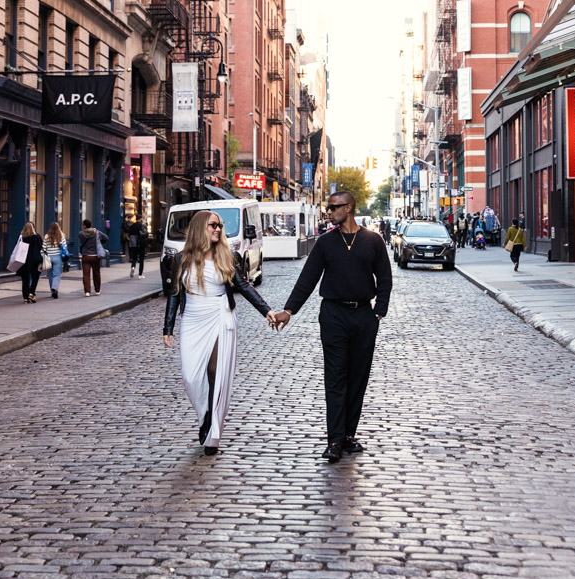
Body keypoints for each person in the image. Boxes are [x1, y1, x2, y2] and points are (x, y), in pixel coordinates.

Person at [274, 189, 392, 463]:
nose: (329, 212)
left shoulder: (373, 241)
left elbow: (384, 279)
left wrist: (378, 314)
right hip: (333, 316)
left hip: (363, 316)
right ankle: (335, 439)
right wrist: (289, 310)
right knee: (336, 377)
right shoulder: (326, 242)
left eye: (334, 207)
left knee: (358, 378)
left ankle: (349, 435)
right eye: (328, 208)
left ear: (349, 208)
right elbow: (308, 279)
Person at [163, 210, 277, 456]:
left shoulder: (226, 255)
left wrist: (266, 310)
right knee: (191, 377)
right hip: (193, 317)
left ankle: (212, 431)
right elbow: (174, 294)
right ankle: (205, 415)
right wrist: (168, 328)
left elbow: (244, 286)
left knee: (216, 372)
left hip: (220, 314)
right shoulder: (181, 258)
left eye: (220, 225)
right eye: (212, 225)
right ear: (200, 228)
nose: (217, 229)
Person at [78, 218, 109, 296]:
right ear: (91, 225)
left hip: (85, 256)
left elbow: (81, 242)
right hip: (95, 256)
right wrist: (99, 243)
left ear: (84, 226)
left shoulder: (81, 234)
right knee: (96, 273)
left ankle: (87, 291)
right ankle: (97, 290)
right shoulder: (97, 232)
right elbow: (106, 238)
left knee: (86, 274)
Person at [16, 222, 43, 304]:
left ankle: (25, 298)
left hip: (23, 260)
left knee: (25, 280)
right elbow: (40, 247)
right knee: (35, 276)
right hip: (34, 260)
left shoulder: (21, 237)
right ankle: (31, 292)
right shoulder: (36, 237)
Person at [42, 221, 69, 299]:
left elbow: (43, 248)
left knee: (50, 275)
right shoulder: (61, 236)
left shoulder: (47, 236)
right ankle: (55, 289)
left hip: (49, 257)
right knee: (57, 275)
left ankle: (52, 290)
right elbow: (65, 247)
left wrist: (43, 256)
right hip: (58, 257)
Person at [128, 213, 149, 278]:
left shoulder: (132, 226)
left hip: (134, 245)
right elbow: (145, 234)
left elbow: (129, 235)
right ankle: (140, 274)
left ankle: (133, 267)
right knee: (141, 259)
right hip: (141, 244)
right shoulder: (141, 226)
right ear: (140, 219)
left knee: (134, 258)